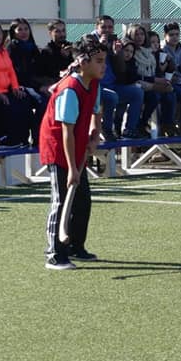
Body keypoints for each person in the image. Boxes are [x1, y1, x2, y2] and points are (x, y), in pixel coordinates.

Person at [40, 37, 105, 270]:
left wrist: (95, 133)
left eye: (104, 61)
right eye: (98, 61)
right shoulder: (69, 89)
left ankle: (76, 246)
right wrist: (71, 170)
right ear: (84, 62)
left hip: (77, 144)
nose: (103, 66)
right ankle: (54, 253)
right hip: (58, 147)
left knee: (83, 200)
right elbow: (65, 132)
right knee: (60, 201)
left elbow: (97, 110)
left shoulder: (94, 82)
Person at [0, 21, 36, 148]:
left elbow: (10, 71)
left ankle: (21, 138)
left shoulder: (3, 51)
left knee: (23, 101)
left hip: (5, 89)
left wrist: (15, 87)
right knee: (7, 105)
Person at [89, 15, 145, 139]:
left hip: (112, 84)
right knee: (111, 97)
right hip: (95, 87)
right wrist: (100, 47)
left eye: (110, 27)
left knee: (137, 92)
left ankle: (130, 129)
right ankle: (107, 129)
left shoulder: (114, 41)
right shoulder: (89, 40)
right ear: (97, 27)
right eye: (103, 27)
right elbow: (86, 61)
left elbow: (121, 70)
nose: (107, 30)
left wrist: (117, 54)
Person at [125, 24, 175, 136]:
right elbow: (135, 75)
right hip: (137, 83)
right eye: (136, 34)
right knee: (154, 96)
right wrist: (155, 80)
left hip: (150, 81)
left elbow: (155, 70)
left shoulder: (149, 52)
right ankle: (141, 124)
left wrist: (167, 66)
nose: (139, 37)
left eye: (142, 34)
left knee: (170, 93)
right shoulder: (130, 51)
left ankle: (167, 125)